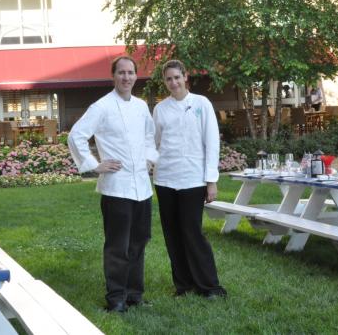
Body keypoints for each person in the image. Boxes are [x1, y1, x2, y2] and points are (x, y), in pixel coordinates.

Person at [68, 56, 158, 313]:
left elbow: (150, 136)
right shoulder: (102, 106)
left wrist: (150, 159)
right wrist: (94, 164)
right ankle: (116, 297)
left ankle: (134, 294)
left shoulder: (141, 106)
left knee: (139, 241)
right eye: (121, 73)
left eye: (131, 73)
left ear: (135, 76)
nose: (126, 77)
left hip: (141, 186)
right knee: (118, 245)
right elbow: (77, 135)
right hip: (116, 188)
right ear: (113, 76)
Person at [153, 59, 227, 299]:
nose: (173, 82)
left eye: (177, 77)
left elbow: (211, 142)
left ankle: (209, 286)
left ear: (185, 77)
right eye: (168, 79)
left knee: (192, 233)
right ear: (164, 82)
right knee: (172, 235)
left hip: (193, 179)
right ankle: (183, 285)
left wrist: (211, 180)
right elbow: (154, 143)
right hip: (165, 180)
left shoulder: (201, 104)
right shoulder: (160, 109)